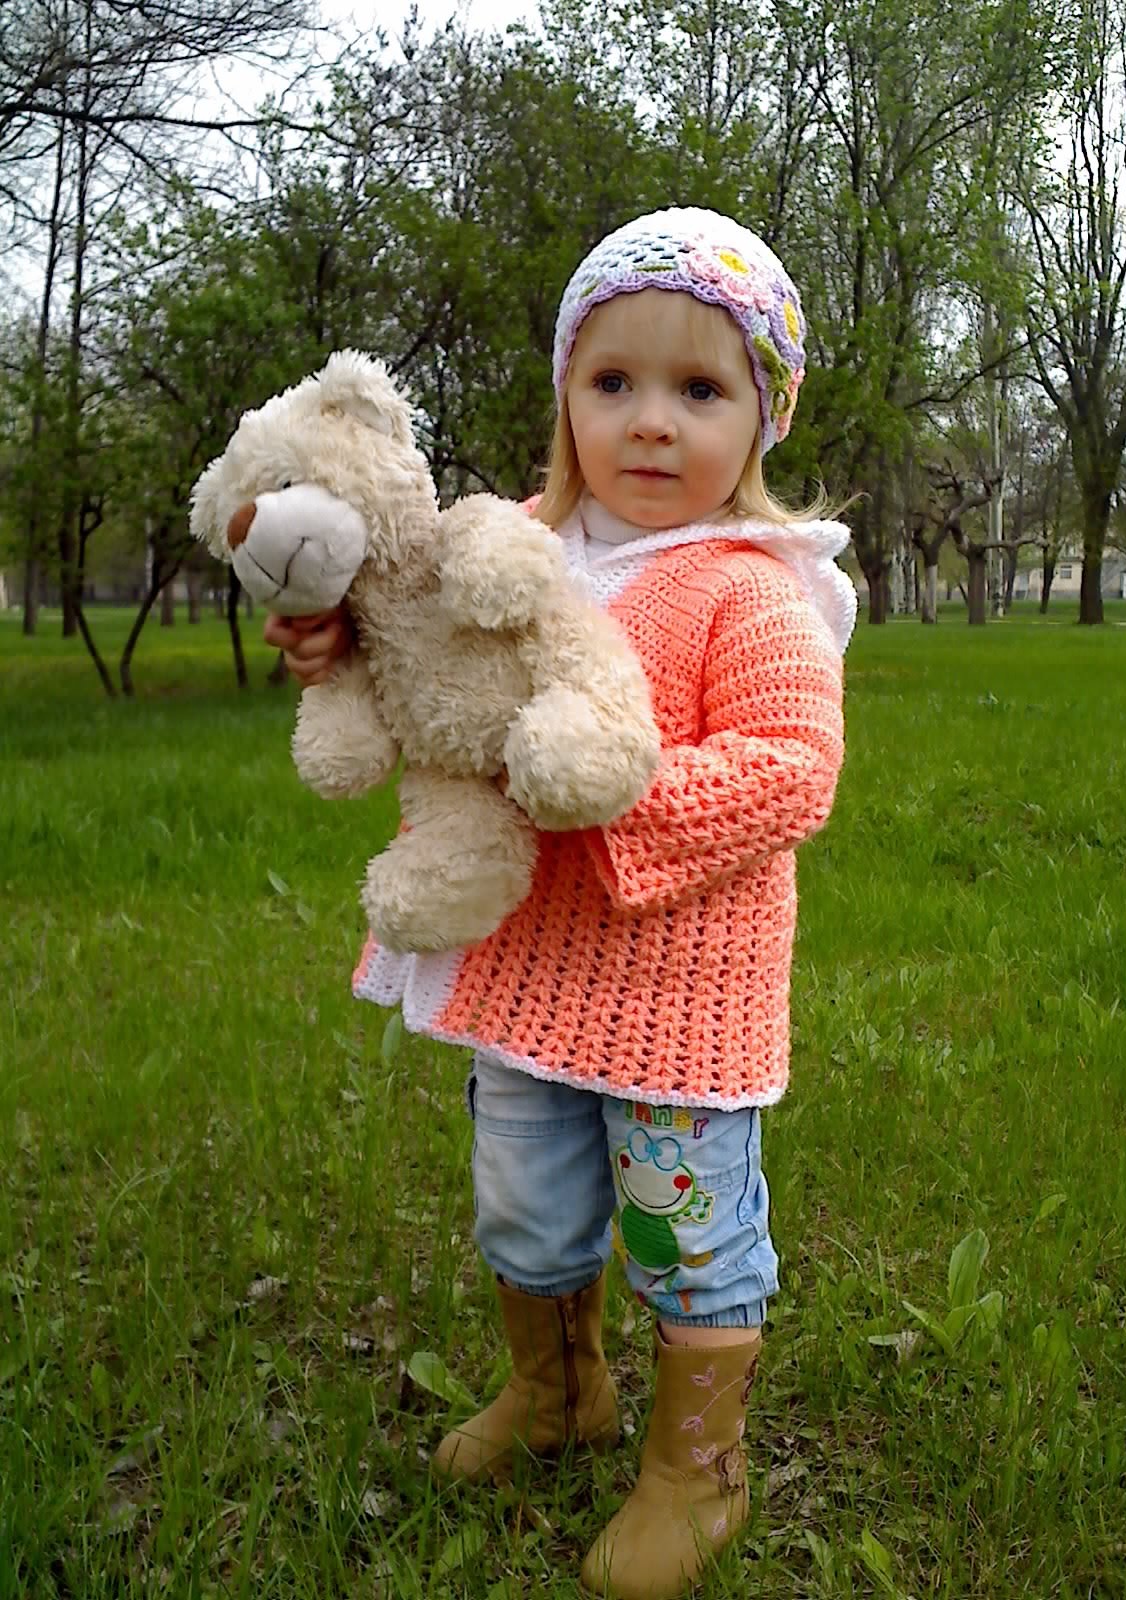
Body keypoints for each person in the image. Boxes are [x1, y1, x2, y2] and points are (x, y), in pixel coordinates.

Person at [266, 208, 856, 1600]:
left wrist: (604, 789)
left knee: (685, 1231)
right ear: (566, 400)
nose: (651, 421)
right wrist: (336, 638)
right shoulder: (507, 552)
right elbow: (413, 647)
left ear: (760, 420)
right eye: (613, 381)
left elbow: (791, 769)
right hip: (523, 981)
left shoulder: (749, 589)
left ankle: (696, 1470)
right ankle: (560, 1389)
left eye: (700, 389)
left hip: (674, 1001)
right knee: (525, 1208)